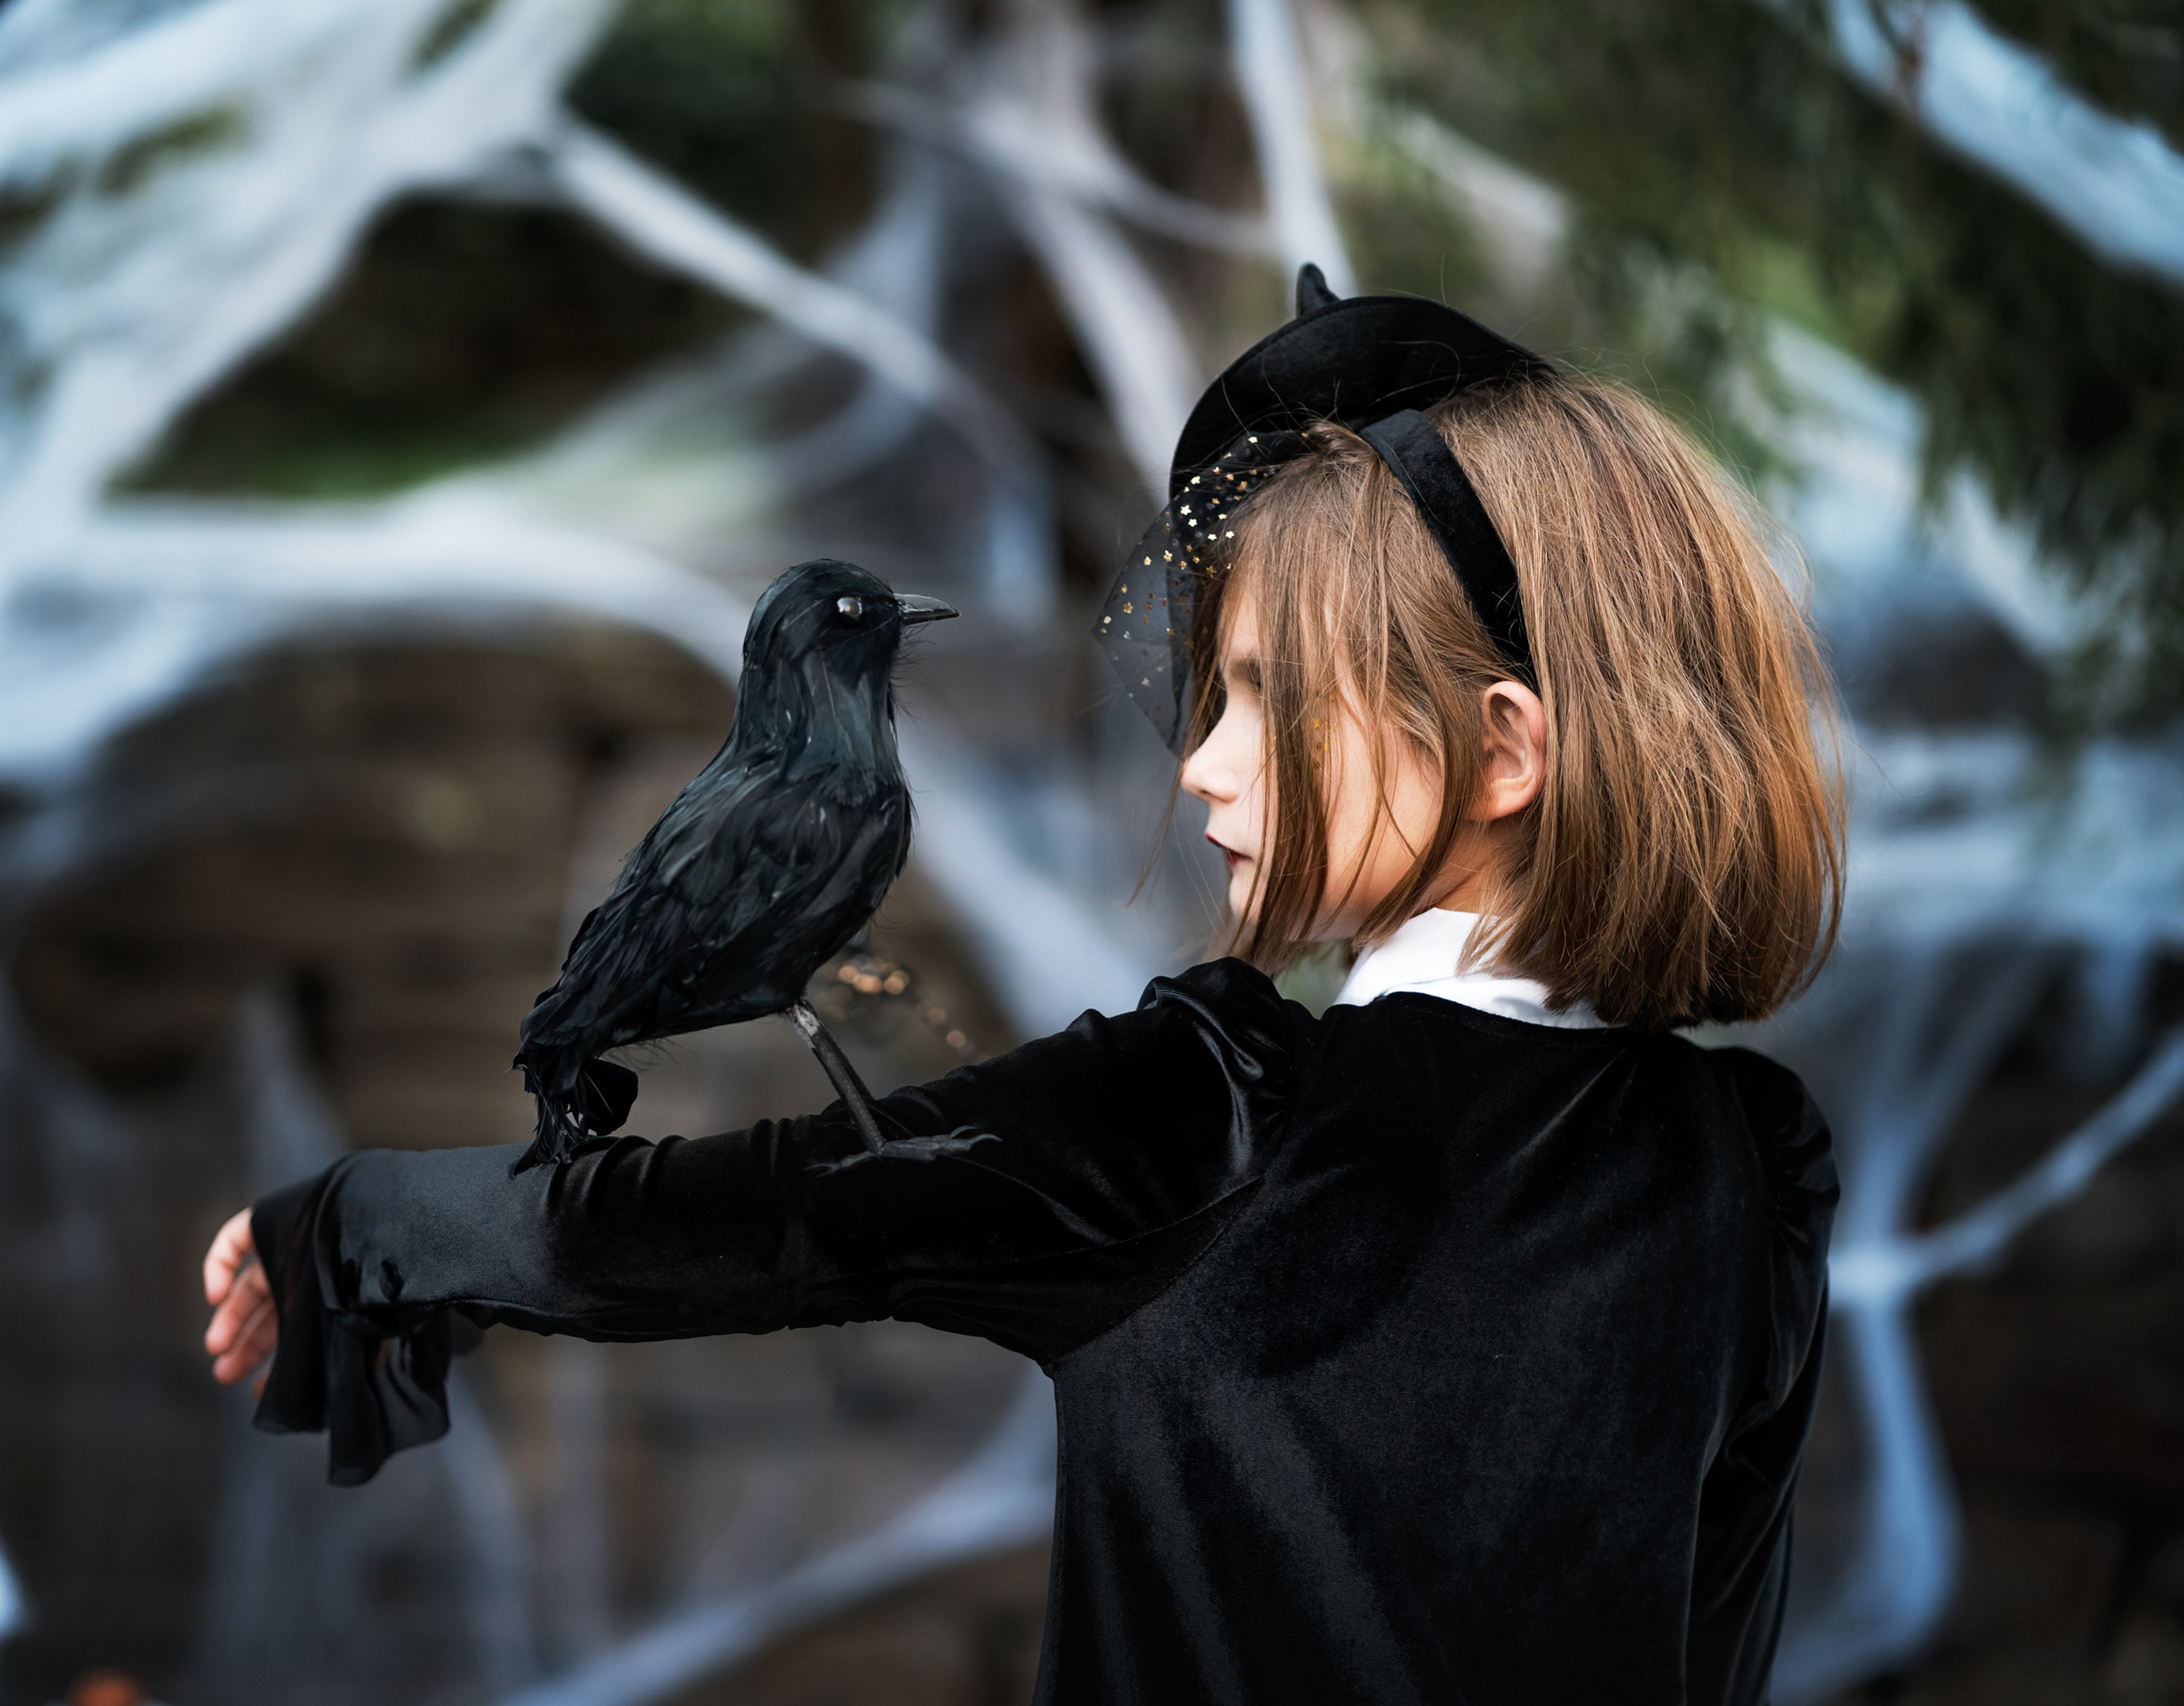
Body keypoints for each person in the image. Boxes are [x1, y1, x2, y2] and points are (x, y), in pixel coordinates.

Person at [201, 275, 1843, 1705]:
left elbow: (734, 1219)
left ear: (1501, 748)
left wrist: (350, 1227)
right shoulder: (1745, 1169)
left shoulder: (1218, 1118)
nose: (1199, 766)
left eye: (1266, 694)